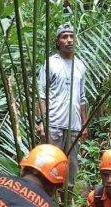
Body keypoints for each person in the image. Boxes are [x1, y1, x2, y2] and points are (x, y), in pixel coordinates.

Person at [36, 22, 87, 188]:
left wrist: (84, 124)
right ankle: (51, 198)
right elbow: (41, 95)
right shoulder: (51, 63)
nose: (69, 40)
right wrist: (41, 121)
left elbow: (82, 97)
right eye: (65, 37)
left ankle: (69, 199)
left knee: (71, 165)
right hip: (54, 123)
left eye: (72, 36)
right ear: (58, 41)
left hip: (74, 125)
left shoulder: (80, 65)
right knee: (52, 163)